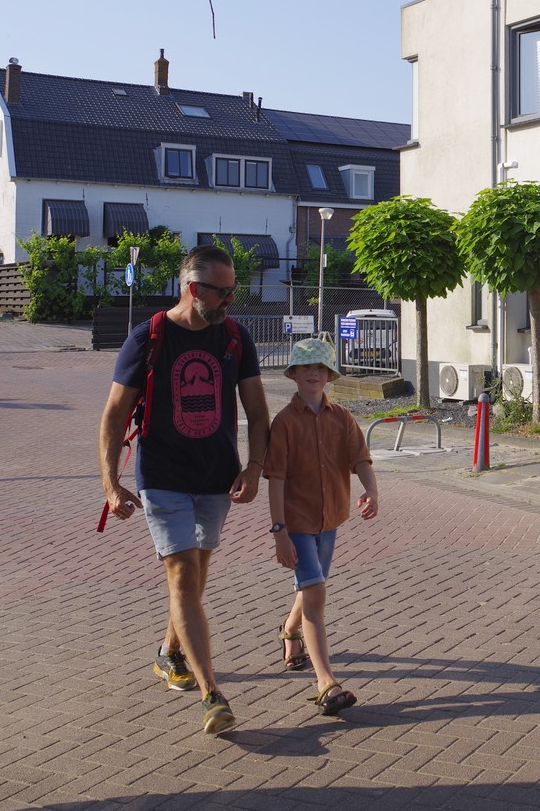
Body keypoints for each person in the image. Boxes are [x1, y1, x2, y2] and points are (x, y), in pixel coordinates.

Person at [99, 245, 270, 737]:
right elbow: (113, 415)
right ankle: (212, 694)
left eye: (234, 291)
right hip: (163, 476)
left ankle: (169, 651)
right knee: (182, 575)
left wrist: (254, 467)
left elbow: (258, 413)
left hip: (218, 477)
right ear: (193, 289)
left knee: (194, 576)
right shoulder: (148, 338)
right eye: (222, 292)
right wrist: (111, 483)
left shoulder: (235, 337)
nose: (230, 301)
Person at [265, 337, 378, 716]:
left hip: (330, 519)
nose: (313, 374)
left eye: (320, 368)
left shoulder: (342, 417)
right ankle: (326, 683)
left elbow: (360, 458)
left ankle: (289, 630)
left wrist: (371, 491)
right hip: (296, 523)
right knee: (315, 594)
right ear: (294, 374)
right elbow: (276, 479)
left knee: (312, 587)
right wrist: (279, 531)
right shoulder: (284, 423)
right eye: (306, 368)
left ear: (329, 375)